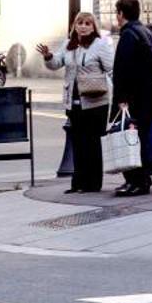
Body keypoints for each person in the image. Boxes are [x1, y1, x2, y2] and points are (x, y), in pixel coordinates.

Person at [37, 12, 115, 195]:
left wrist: (120, 97)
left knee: (92, 143)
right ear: (74, 25)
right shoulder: (69, 45)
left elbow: (112, 70)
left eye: (88, 23)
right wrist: (48, 56)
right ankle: (77, 182)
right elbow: (56, 64)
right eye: (80, 23)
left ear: (93, 26)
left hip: (96, 102)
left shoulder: (100, 45)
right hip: (74, 102)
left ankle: (92, 184)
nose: (84, 26)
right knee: (78, 143)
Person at [109, 0, 152, 197]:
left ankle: (136, 181)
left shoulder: (128, 35)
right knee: (141, 137)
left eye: (117, 13)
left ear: (121, 14)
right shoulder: (147, 32)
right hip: (149, 96)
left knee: (130, 138)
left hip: (134, 97)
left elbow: (122, 70)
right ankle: (143, 179)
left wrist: (122, 98)